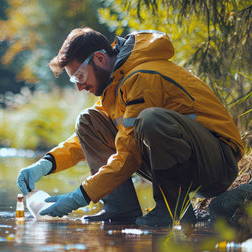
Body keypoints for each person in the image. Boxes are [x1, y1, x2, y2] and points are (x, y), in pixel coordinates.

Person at [17, 27, 244, 227]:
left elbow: (129, 152)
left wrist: (81, 195)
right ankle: (120, 209)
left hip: (217, 165)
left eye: (79, 76)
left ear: (99, 58)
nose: (79, 87)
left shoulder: (142, 77)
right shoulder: (116, 83)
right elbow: (91, 134)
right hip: (190, 164)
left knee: (151, 120)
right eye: (74, 80)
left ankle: (170, 209)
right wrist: (47, 163)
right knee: (88, 120)